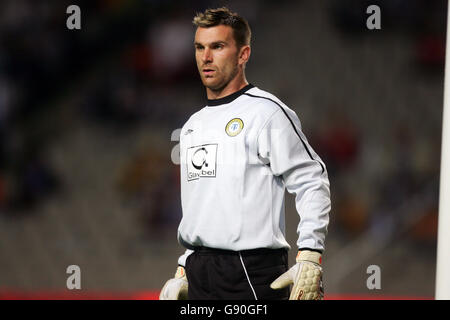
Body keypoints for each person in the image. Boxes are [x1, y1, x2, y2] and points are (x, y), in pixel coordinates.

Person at [159, 7, 331, 300]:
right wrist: (184, 269)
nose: (206, 57)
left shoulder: (267, 112)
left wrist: (310, 253)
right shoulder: (191, 126)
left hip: (250, 271)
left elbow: (312, 180)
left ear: (243, 54)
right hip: (199, 271)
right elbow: (202, 207)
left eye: (218, 46)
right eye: (200, 47)